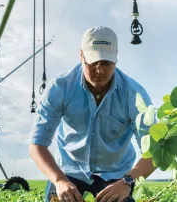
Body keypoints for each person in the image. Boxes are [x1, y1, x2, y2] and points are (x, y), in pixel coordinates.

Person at [29, 26, 157, 202]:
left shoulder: (134, 94)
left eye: (106, 63)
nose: (100, 71)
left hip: (117, 173)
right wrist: (59, 180)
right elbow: (37, 145)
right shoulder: (60, 88)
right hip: (70, 170)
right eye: (93, 63)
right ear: (81, 56)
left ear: (116, 59)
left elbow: (154, 151)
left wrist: (127, 181)